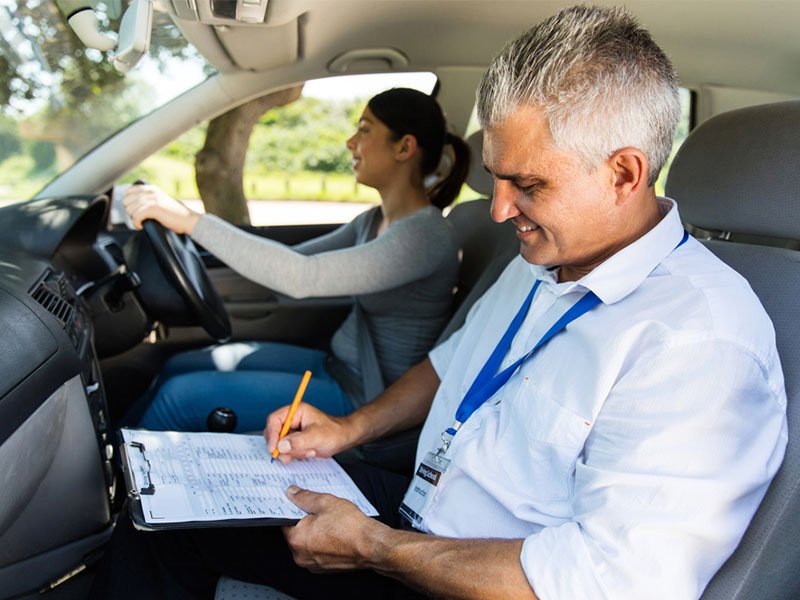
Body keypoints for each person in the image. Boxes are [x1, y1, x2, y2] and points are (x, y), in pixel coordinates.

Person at [92, 6, 787, 599]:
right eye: (496, 178)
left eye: (529, 185)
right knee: (159, 513)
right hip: (412, 518)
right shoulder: (546, 258)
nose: (499, 208)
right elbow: (452, 362)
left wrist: (375, 549)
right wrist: (348, 431)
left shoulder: (700, 340)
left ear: (624, 174)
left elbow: (601, 579)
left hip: (468, 575)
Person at [122, 87, 468, 433]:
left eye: (364, 129)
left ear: (404, 147)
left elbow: (302, 277)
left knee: (179, 398)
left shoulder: (424, 236)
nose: (351, 142)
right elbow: (291, 261)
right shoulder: (373, 220)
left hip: (368, 399)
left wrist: (190, 221)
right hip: (334, 365)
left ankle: (115, 480)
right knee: (178, 366)